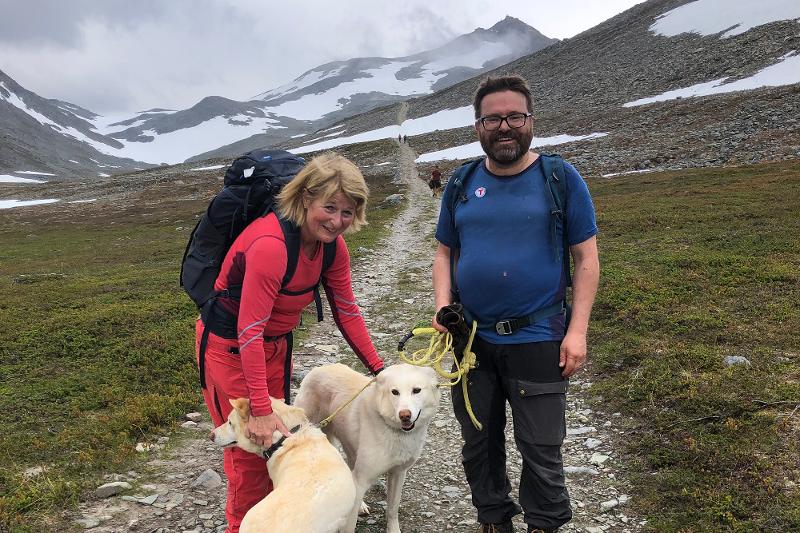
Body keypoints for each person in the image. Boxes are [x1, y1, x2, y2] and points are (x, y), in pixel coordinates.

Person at [432, 75, 600, 533]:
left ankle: (543, 524)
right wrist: (444, 305)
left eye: (514, 117)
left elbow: (585, 258)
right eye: (493, 118)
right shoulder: (463, 181)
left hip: (539, 335)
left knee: (541, 446)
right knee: (477, 442)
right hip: (471, 340)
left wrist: (578, 330)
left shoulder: (560, 178)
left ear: (530, 121)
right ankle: (493, 520)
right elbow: (445, 251)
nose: (504, 126)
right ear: (477, 125)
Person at [196, 152, 385, 533]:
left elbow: (346, 310)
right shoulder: (270, 243)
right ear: (304, 200)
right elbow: (248, 330)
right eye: (329, 207)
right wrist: (262, 409)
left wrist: (380, 372)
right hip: (231, 349)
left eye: (347, 212)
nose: (337, 221)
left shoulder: (332, 246)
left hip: (276, 347)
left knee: (278, 453)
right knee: (251, 454)